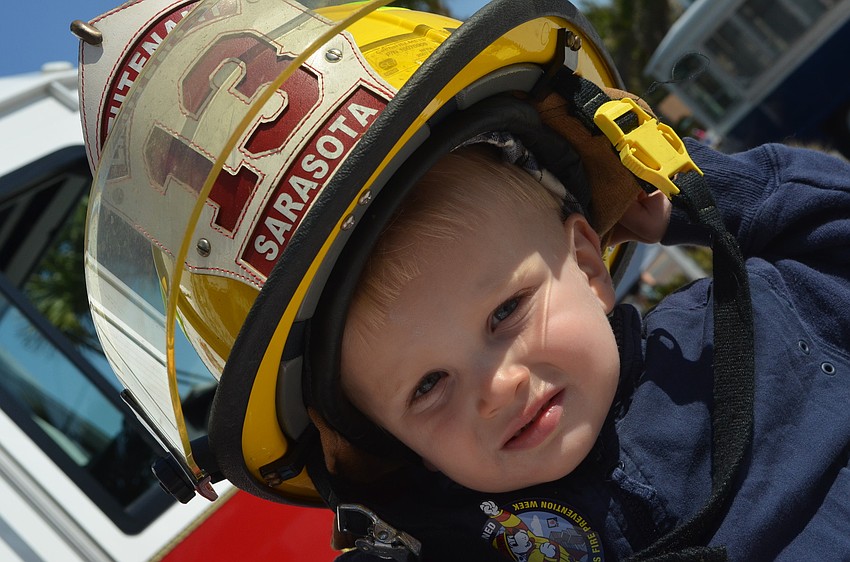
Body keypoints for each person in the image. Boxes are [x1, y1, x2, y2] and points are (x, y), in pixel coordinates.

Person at [75, 0, 850, 560]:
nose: (496, 385)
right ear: (380, 441)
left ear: (586, 263)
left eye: (506, 311)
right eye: (426, 387)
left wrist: (687, 183)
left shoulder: (763, 321)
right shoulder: (445, 540)